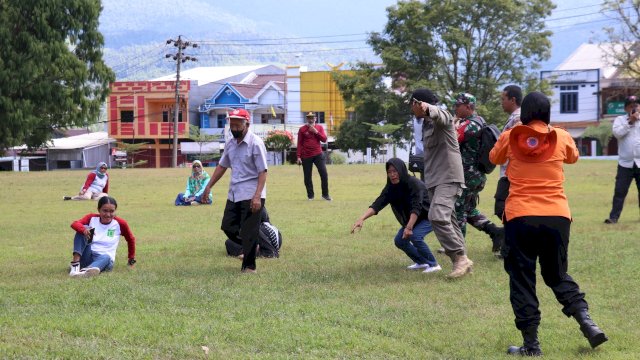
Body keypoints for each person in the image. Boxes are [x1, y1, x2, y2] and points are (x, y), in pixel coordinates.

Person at [489, 92, 607, 356]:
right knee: (557, 274)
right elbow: (573, 157)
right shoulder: (561, 136)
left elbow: (494, 158)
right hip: (557, 216)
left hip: (520, 217)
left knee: (522, 280)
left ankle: (531, 345)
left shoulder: (511, 136)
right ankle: (586, 321)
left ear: (525, 112)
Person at [411, 88, 473, 279]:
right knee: (450, 220)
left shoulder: (441, 118)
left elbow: (442, 115)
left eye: (413, 104)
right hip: (435, 180)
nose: (411, 109)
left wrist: (428, 108)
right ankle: (462, 262)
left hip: (448, 177)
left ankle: (460, 258)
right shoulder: (425, 125)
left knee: (437, 216)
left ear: (419, 103)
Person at [201, 108, 268, 273]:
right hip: (234, 192)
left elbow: (263, 171)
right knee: (228, 226)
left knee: (249, 230)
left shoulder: (256, 143)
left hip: (252, 193)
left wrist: (257, 196)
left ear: (247, 124)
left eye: (238, 125)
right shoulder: (230, 143)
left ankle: (249, 267)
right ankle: (252, 245)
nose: (235, 128)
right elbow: (222, 166)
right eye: (232, 125)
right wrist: (208, 186)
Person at [351, 158, 441, 273]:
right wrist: (361, 219)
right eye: (389, 172)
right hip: (413, 219)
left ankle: (434, 264)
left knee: (415, 236)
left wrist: (409, 227)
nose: (392, 175)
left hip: (428, 216)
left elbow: (416, 207)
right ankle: (422, 262)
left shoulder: (414, 183)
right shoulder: (390, 187)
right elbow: (378, 203)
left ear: (401, 170)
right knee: (400, 241)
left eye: (395, 171)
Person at [451, 92, 504, 258]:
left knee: (458, 209)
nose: (455, 108)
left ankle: (458, 248)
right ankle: (495, 231)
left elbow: (452, 138)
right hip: (474, 175)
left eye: (457, 105)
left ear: (468, 107)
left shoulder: (470, 125)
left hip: (468, 175)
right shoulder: (478, 121)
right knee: (468, 208)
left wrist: (453, 124)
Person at [68, 196, 136, 277]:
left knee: (106, 257)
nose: (108, 214)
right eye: (105, 211)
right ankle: (75, 267)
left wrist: (131, 259)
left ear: (115, 211)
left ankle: (88, 271)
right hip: (88, 256)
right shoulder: (91, 218)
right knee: (83, 228)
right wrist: (83, 230)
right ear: (98, 209)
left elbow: (130, 239)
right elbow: (74, 224)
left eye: (112, 211)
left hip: (104, 261)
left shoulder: (120, 223)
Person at [493, 85, 522, 251]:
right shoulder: (514, 117)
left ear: (513, 100)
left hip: (511, 172)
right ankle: (510, 240)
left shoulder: (518, 119)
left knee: (501, 207)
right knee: (506, 208)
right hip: (508, 170)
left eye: (503, 99)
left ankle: (512, 240)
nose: (501, 103)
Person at [604, 95, 640, 224]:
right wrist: (630, 121)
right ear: (626, 108)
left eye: (636, 105)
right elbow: (617, 133)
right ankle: (614, 218)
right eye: (631, 105)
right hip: (625, 163)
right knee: (619, 192)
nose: (634, 107)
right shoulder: (620, 120)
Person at [296, 112, 331, 201]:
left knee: (324, 174)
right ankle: (310, 196)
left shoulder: (319, 127)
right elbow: (299, 143)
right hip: (306, 155)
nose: (310, 119)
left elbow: (324, 139)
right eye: (308, 118)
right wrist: (298, 156)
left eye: (312, 118)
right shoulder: (302, 129)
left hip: (318, 154)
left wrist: (316, 132)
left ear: (315, 118)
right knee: (307, 177)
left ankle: (325, 195)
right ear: (307, 119)